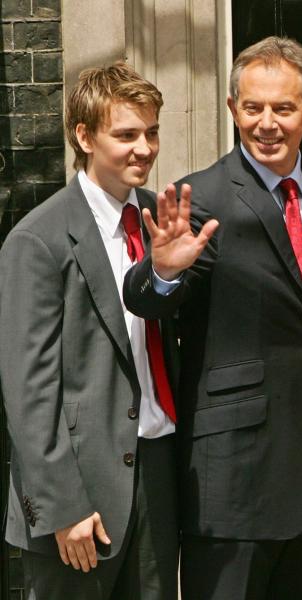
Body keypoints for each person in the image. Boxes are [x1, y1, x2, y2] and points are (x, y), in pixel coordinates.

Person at [122, 36, 302, 599]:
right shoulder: (200, 199)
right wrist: (164, 271)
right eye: (252, 108)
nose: (266, 123)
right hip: (233, 482)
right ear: (231, 110)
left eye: (283, 108)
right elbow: (145, 300)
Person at [0, 62, 178, 599]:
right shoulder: (38, 239)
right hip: (78, 493)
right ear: (84, 136)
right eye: (126, 135)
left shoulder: (158, 219)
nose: (144, 148)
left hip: (156, 470)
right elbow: (28, 391)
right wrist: (61, 506)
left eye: (151, 132)